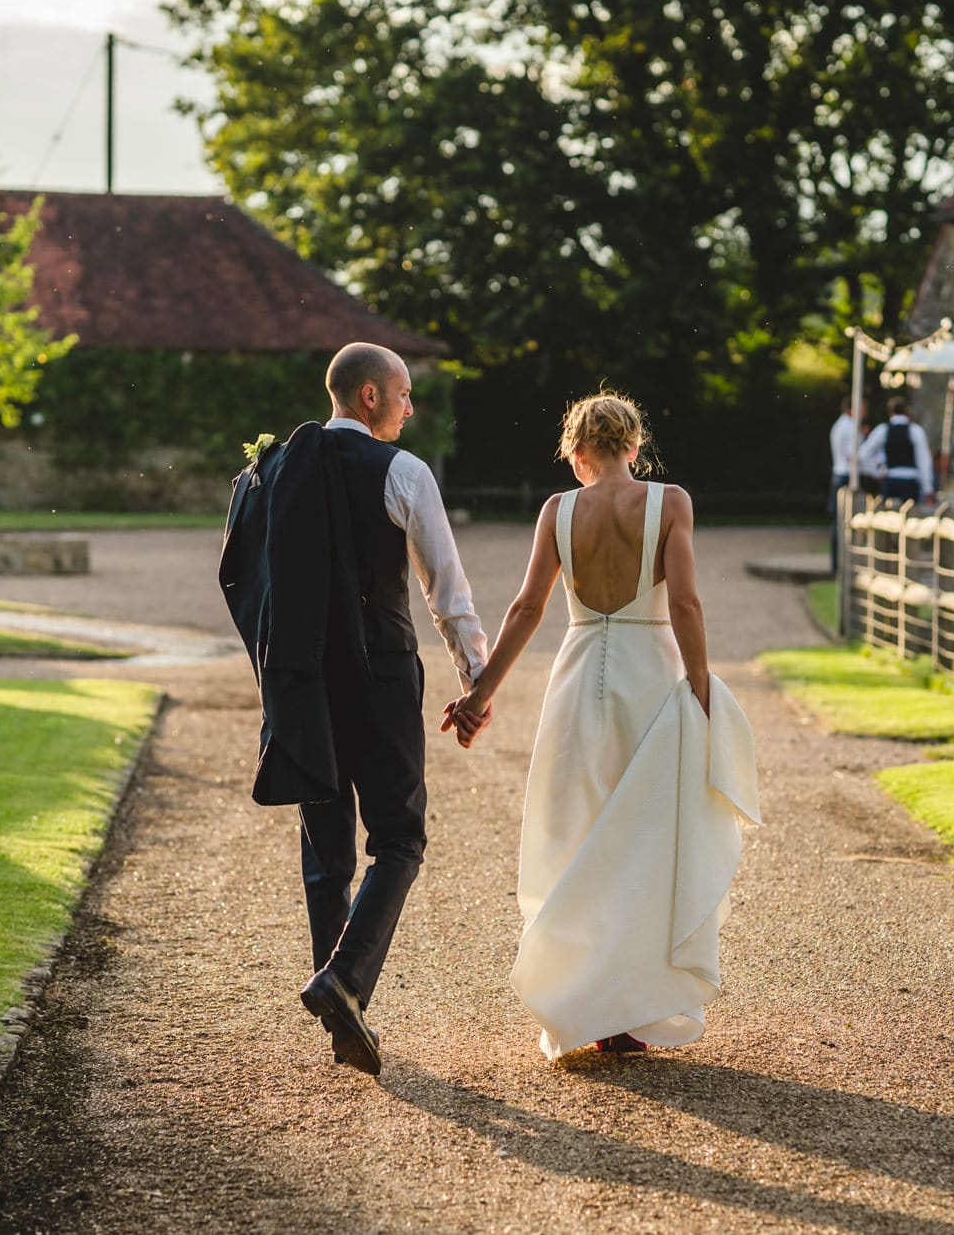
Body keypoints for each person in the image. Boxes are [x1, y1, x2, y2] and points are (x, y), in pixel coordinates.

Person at [444, 392, 760, 1060]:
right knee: (644, 839)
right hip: (650, 678)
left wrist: (479, 693)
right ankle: (630, 1006)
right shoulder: (671, 502)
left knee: (582, 836)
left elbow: (527, 609)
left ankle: (591, 1000)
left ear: (577, 453)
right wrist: (700, 688)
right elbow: (685, 601)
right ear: (634, 446)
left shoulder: (558, 510)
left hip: (580, 678)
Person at [219, 341, 490, 1077]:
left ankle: (342, 1009)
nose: (411, 407)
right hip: (381, 672)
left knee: (326, 850)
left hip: (302, 678)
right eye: (403, 394)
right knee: (400, 838)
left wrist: (273, 670)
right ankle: (343, 982)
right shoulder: (402, 471)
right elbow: (446, 590)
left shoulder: (272, 471)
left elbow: (242, 573)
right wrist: (477, 679)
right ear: (369, 397)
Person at [857, 397, 936, 504]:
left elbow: (863, 454)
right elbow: (924, 461)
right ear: (906, 411)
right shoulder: (916, 431)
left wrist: (876, 472)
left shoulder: (883, 430)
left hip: (891, 481)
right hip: (910, 482)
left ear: (889, 412)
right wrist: (928, 488)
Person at [827, 400, 863, 570]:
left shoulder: (840, 425)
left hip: (838, 473)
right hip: (846, 475)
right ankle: (843, 564)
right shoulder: (849, 427)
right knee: (844, 520)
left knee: (838, 520)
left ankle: (836, 563)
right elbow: (852, 456)